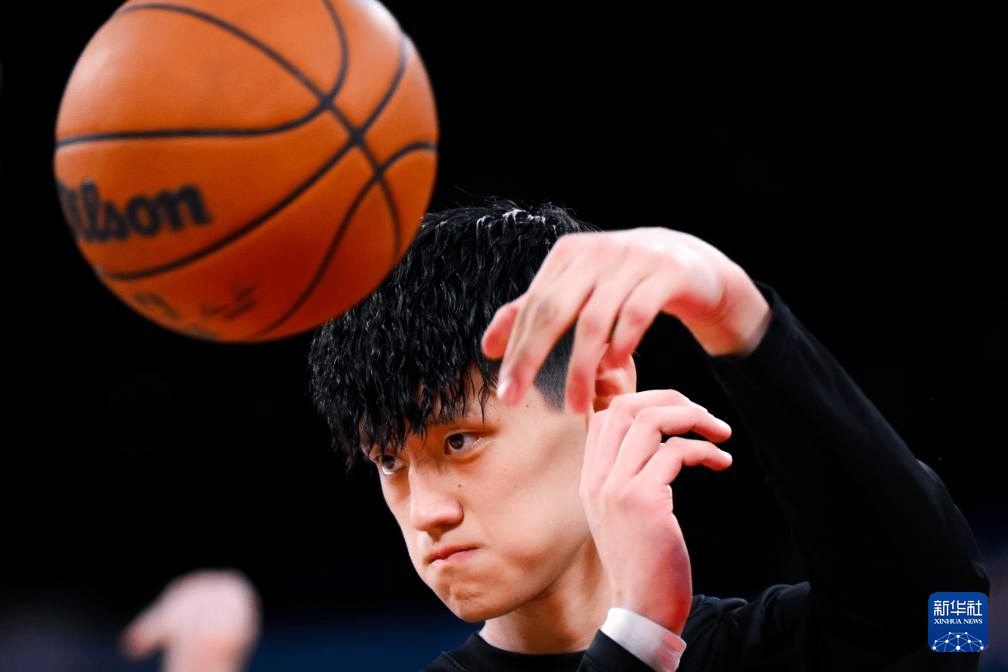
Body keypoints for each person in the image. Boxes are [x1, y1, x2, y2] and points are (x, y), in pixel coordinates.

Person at [126, 199, 988, 671]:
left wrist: (734, 311)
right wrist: (638, 636)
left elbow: (957, 623)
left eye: (459, 441)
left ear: (603, 392)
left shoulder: (776, 654)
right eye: (390, 462)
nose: (424, 512)